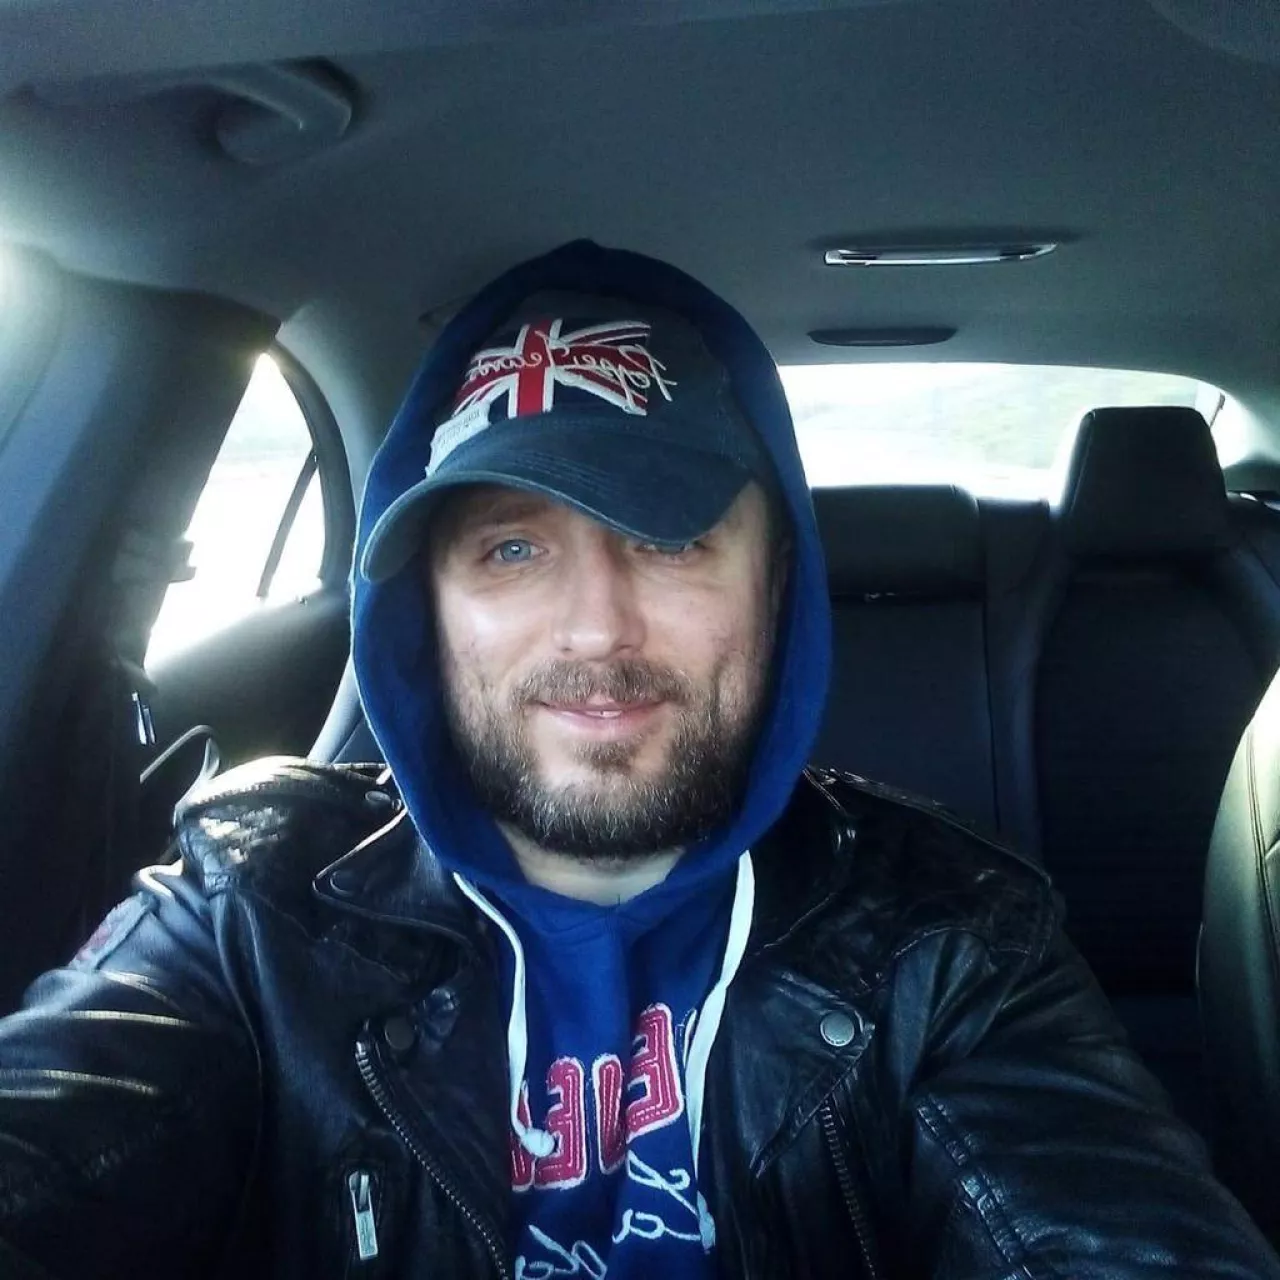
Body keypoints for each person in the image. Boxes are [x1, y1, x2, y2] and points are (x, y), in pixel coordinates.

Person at [0, 240, 1275, 1280]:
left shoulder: (951, 940)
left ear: (776, 585)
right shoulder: (249, 906)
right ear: (422, 612)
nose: (595, 629)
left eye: (668, 541)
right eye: (509, 549)